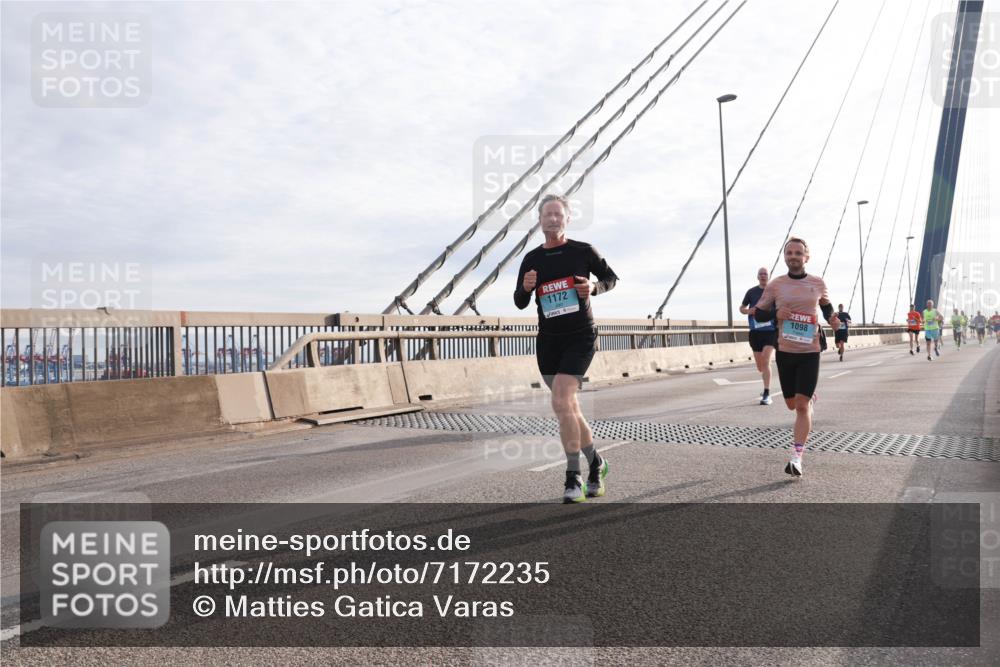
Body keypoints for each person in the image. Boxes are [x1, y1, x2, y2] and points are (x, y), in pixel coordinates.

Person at [514, 193, 618, 503]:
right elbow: (520, 302)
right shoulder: (531, 259)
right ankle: (597, 463)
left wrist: (595, 288)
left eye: (558, 214)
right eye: (548, 214)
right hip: (548, 341)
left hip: (580, 336)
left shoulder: (583, 251)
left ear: (567, 219)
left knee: (562, 398)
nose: (553, 219)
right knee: (567, 408)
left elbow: (611, 278)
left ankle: (572, 476)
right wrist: (526, 287)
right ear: (539, 220)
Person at [753, 237, 840, 478]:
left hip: (810, 351)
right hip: (785, 351)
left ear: (806, 257)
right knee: (792, 404)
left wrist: (833, 319)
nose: (793, 256)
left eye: (798, 253)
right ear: (785, 257)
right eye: (789, 252)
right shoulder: (776, 285)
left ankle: (797, 457)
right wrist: (775, 313)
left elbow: (827, 308)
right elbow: (759, 314)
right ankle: (809, 400)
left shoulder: (817, 283)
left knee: (800, 406)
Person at [739, 267, 776, 405]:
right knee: (760, 366)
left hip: (771, 331)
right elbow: (741, 308)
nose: (763, 276)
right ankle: (765, 375)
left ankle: (767, 393)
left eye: (765, 274)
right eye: (760, 274)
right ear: (757, 276)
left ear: (769, 276)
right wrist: (749, 311)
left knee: (766, 360)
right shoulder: (751, 292)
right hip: (755, 332)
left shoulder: (774, 291)